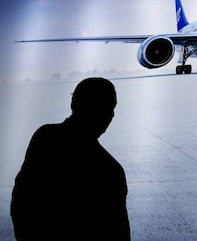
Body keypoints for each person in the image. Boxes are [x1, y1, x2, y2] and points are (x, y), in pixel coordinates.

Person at [10, 77, 130, 240]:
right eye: (110, 108)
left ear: (73, 104)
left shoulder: (43, 137)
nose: (112, 115)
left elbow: (21, 201)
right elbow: (118, 233)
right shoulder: (111, 171)